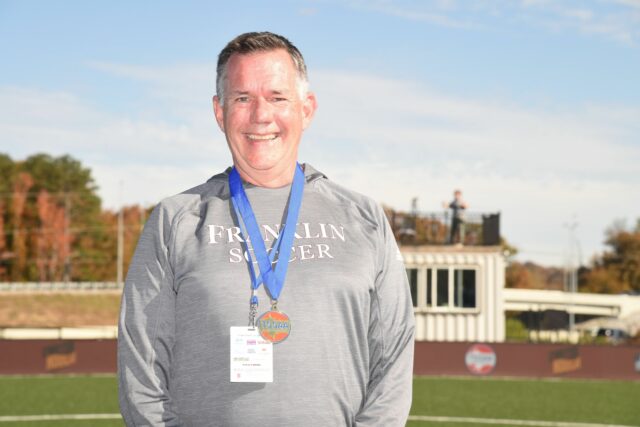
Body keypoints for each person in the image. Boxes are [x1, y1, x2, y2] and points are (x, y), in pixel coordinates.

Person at [118, 31, 415, 426]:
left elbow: (393, 357)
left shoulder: (363, 217)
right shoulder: (176, 219)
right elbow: (141, 369)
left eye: (278, 98)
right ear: (220, 111)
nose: (261, 115)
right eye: (243, 98)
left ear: (306, 109)